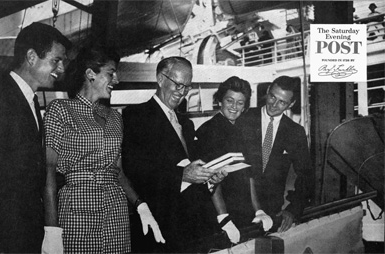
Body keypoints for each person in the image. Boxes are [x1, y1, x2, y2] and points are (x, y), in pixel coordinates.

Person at [43, 46, 164, 253]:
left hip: (115, 210)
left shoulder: (115, 117)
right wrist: (52, 229)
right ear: (90, 74)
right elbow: (48, 172)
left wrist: (141, 205)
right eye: (110, 73)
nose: (116, 80)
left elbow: (119, 173)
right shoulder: (60, 110)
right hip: (76, 208)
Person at [122, 56, 225, 253]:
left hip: (192, 224)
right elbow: (135, 171)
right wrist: (182, 175)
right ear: (160, 79)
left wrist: (210, 178)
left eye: (187, 86)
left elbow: (193, 168)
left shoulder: (186, 123)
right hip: (161, 224)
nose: (182, 92)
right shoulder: (135, 116)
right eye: (178, 84)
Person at [0, 22, 71, 253]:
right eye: (56, 60)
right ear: (32, 57)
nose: (61, 69)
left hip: (23, 231)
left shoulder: (30, 100)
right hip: (3, 235)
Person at [196, 76, 273, 244]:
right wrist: (223, 217)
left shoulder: (243, 130)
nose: (234, 107)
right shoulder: (207, 131)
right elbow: (210, 178)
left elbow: (249, 174)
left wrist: (258, 209)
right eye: (229, 100)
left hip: (243, 211)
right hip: (220, 215)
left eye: (240, 103)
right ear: (219, 101)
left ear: (245, 106)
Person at [238, 76, 313, 233]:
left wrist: (293, 210)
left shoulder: (295, 132)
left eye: (282, 102)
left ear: (291, 104)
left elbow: (306, 176)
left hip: (272, 211)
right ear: (267, 91)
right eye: (272, 96)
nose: (274, 104)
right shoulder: (243, 119)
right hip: (238, 208)